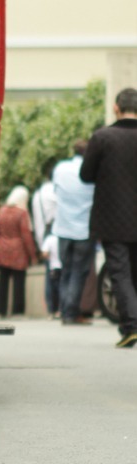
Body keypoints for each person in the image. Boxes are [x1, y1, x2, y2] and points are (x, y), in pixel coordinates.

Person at [80, 87, 137, 348]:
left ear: (116, 107)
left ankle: (131, 327)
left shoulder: (102, 137)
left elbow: (86, 175)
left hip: (113, 218)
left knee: (121, 273)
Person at [52, 139, 95, 325]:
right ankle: (71, 313)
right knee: (79, 272)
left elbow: (56, 191)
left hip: (62, 227)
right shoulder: (92, 172)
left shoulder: (61, 168)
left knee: (66, 270)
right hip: (84, 229)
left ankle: (64, 310)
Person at [0, 186, 38, 319]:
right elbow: (26, 235)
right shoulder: (22, 213)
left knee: (2, 280)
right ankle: (18, 312)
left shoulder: (2, 210)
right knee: (19, 281)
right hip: (18, 250)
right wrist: (32, 255)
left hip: (1, 247)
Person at [31, 159, 58, 317]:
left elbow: (37, 220)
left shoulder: (38, 194)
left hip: (43, 237)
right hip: (57, 236)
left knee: (49, 274)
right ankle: (59, 307)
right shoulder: (55, 192)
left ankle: (51, 308)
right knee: (59, 273)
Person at [39, 233, 61, 319]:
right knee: (61, 289)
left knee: (51, 289)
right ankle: (61, 310)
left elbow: (44, 253)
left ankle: (51, 311)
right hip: (63, 267)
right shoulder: (63, 238)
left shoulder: (50, 239)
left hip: (53, 267)